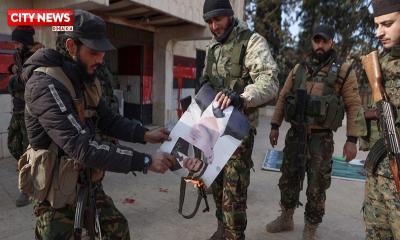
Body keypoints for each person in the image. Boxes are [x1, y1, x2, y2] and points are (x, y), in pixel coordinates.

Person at [21, 9, 179, 239]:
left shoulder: (85, 79)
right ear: (71, 46)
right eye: (94, 52)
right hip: (56, 196)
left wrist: (146, 135)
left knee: (118, 229)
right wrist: (144, 160)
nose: (101, 59)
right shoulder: (44, 85)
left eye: (103, 52)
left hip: (88, 183)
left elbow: (108, 119)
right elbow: (81, 147)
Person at [266, 24, 366, 240]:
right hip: (296, 134)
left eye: (325, 41)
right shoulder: (299, 68)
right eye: (317, 40)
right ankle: (286, 217)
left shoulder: (343, 70)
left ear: (332, 42)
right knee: (289, 177)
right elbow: (283, 97)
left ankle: (310, 227)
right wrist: (274, 125)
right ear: (312, 41)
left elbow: (354, 104)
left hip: (321, 139)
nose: (320, 45)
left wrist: (351, 139)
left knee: (317, 184)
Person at [201, 0, 279, 239]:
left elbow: (270, 82)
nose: (214, 26)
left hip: (238, 130)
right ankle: (221, 229)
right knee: (215, 182)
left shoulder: (252, 41)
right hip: (214, 128)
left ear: (229, 15)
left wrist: (241, 98)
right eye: (210, 22)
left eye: (218, 20)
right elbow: (206, 81)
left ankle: (235, 235)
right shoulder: (212, 48)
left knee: (233, 192)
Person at [363, 1, 400, 239]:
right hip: (379, 173)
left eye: (387, 24)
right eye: (377, 25)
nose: (379, 33)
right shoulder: (382, 63)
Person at [7, 25, 43, 207]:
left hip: (31, 112)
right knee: (13, 145)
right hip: (18, 108)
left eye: (18, 42)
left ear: (26, 42)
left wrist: (14, 78)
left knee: (28, 152)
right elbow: (17, 79)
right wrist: (13, 70)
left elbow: (29, 82)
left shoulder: (37, 58)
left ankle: (27, 190)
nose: (15, 46)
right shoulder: (20, 57)